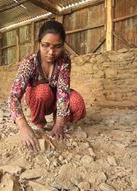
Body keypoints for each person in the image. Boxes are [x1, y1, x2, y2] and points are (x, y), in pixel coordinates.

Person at [8, 20, 86, 151]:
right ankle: (39, 122)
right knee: (42, 91)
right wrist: (23, 127)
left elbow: (63, 91)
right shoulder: (30, 63)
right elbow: (13, 96)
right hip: (38, 99)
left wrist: (59, 125)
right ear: (39, 43)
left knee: (77, 102)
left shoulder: (64, 61)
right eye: (46, 45)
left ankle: (57, 121)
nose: (51, 52)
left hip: (55, 101)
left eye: (57, 46)